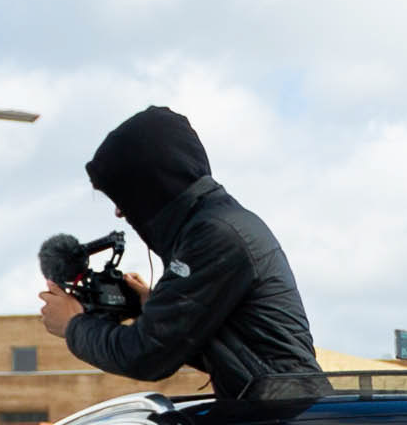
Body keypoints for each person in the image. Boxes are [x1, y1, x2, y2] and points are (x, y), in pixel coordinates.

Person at [44, 106, 321, 403]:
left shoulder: (214, 235)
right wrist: (154, 307)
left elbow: (147, 354)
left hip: (281, 418)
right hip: (282, 413)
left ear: (148, 187)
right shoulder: (218, 223)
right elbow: (234, 352)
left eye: (124, 197)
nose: (119, 212)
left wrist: (74, 325)